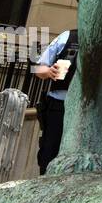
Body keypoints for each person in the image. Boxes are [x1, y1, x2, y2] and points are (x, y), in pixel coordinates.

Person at [31, 29, 77, 174]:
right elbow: (38, 68)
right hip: (59, 106)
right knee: (49, 154)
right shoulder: (67, 36)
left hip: (89, 109)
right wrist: (48, 71)